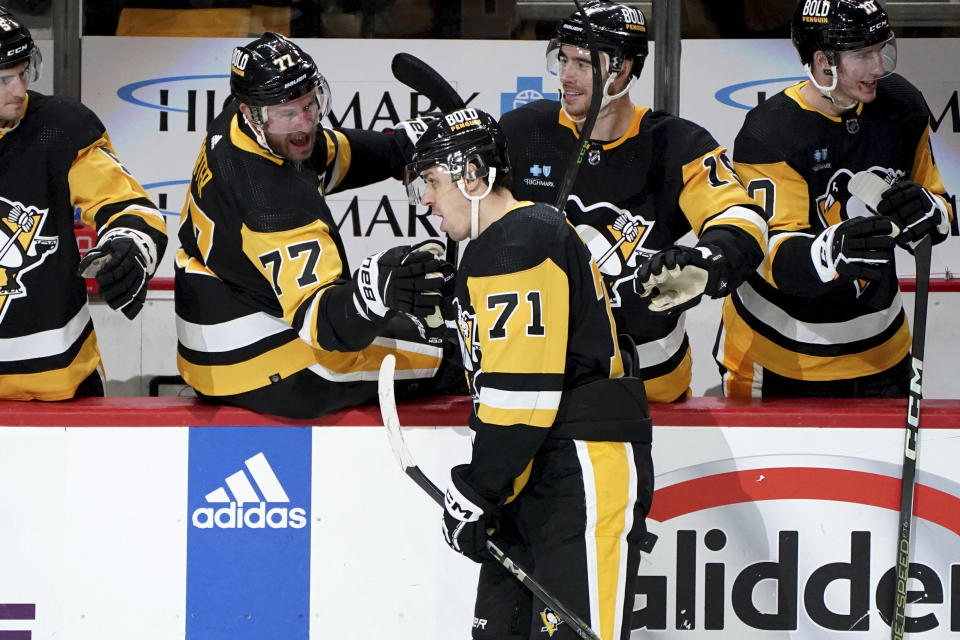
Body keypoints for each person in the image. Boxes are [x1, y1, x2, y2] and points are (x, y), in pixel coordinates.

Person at [405, 107, 653, 639]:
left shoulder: (519, 243)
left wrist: (476, 490)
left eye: (431, 181)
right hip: (532, 476)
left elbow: (522, 397)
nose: (424, 198)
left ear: (472, 174)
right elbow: (501, 385)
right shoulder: (498, 246)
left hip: (579, 472)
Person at [499, 1, 767, 403]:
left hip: (650, 383)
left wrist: (709, 263)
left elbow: (740, 217)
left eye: (583, 64)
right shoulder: (524, 132)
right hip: (546, 375)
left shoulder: (676, 144)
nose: (566, 77)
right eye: (563, 60)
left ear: (622, 69)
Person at [175, 32, 454, 418]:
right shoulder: (271, 205)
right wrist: (375, 289)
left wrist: (399, 147)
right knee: (453, 349)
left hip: (217, 324)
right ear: (250, 113)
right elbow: (321, 324)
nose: (304, 123)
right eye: (289, 114)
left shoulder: (242, 125)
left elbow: (323, 155)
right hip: (271, 364)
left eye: (309, 105)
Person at [714, 0, 954, 398]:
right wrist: (829, 252)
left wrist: (932, 214)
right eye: (863, 55)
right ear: (824, 61)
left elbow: (938, 205)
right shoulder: (770, 132)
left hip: (883, 353)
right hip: (777, 358)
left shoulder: (903, 106)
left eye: (881, 50)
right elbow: (769, 252)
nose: (879, 67)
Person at [0, 5, 167, 401]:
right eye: (5, 79)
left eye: (24, 73)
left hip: (59, 383)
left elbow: (125, 203)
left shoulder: (58, 128)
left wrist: (129, 243)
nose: (20, 90)